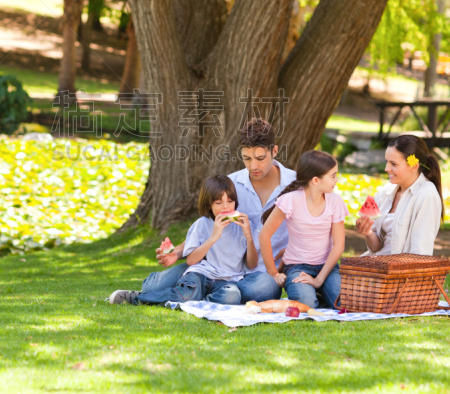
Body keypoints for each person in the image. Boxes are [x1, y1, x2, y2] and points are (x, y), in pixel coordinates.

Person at [108, 118, 295, 305]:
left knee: (264, 289)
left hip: (259, 274)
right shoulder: (230, 186)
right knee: (153, 287)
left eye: (260, 158)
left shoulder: (296, 186)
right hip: (213, 266)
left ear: (274, 151)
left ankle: (194, 294)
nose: (253, 166)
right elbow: (206, 226)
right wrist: (177, 252)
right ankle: (187, 292)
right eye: (247, 158)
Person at [116, 175, 258, 305]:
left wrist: (249, 237)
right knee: (188, 293)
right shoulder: (202, 224)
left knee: (232, 297)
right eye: (218, 202)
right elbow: (190, 261)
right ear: (209, 205)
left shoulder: (245, 226)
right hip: (201, 274)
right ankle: (136, 299)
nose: (226, 206)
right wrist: (214, 236)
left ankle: (195, 302)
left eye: (230, 201)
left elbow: (252, 265)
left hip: (228, 281)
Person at [258, 150, 346, 309]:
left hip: (327, 266)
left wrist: (319, 280)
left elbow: (339, 245)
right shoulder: (290, 200)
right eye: (333, 176)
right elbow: (264, 235)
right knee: (306, 304)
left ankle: (318, 289)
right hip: (297, 266)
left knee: (343, 303)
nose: (337, 180)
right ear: (315, 180)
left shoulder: (335, 201)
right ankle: (311, 293)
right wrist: (274, 273)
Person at [355, 134, 444, 256]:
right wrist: (368, 232)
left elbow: (420, 251)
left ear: (414, 166)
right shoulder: (385, 191)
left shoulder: (427, 195)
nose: (387, 168)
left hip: (401, 270)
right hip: (376, 263)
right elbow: (376, 247)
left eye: (394, 164)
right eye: (387, 162)